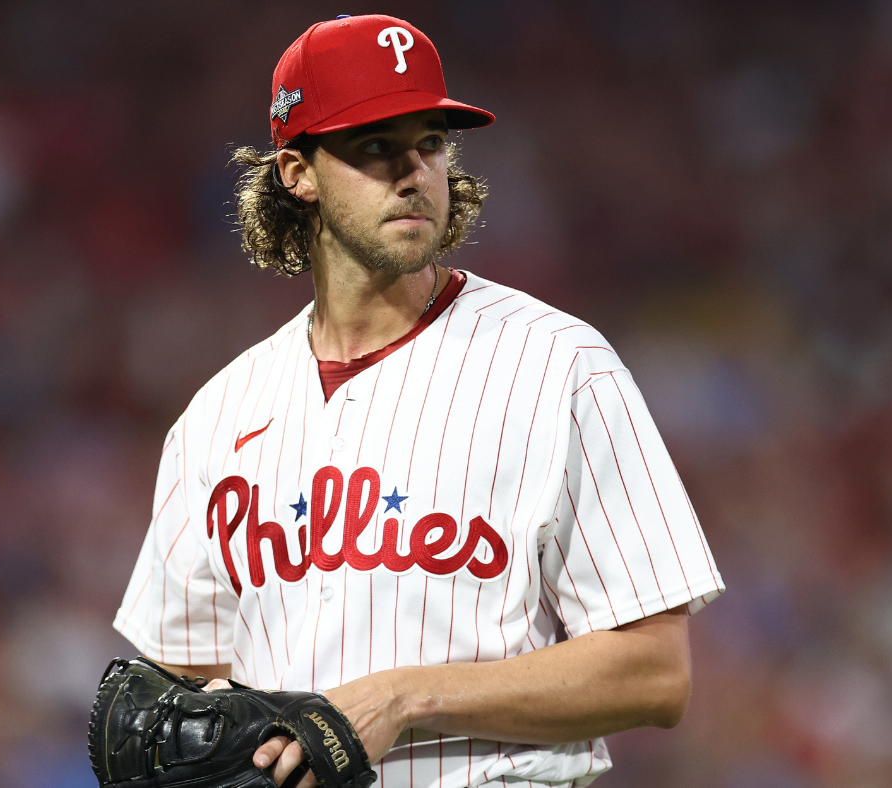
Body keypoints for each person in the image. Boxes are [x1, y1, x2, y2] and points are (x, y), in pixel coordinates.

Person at [114, 14, 724, 788]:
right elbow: (179, 686)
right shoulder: (217, 418)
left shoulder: (558, 364)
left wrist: (402, 697)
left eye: (430, 143)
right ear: (297, 173)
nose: (414, 173)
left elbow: (653, 673)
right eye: (375, 146)